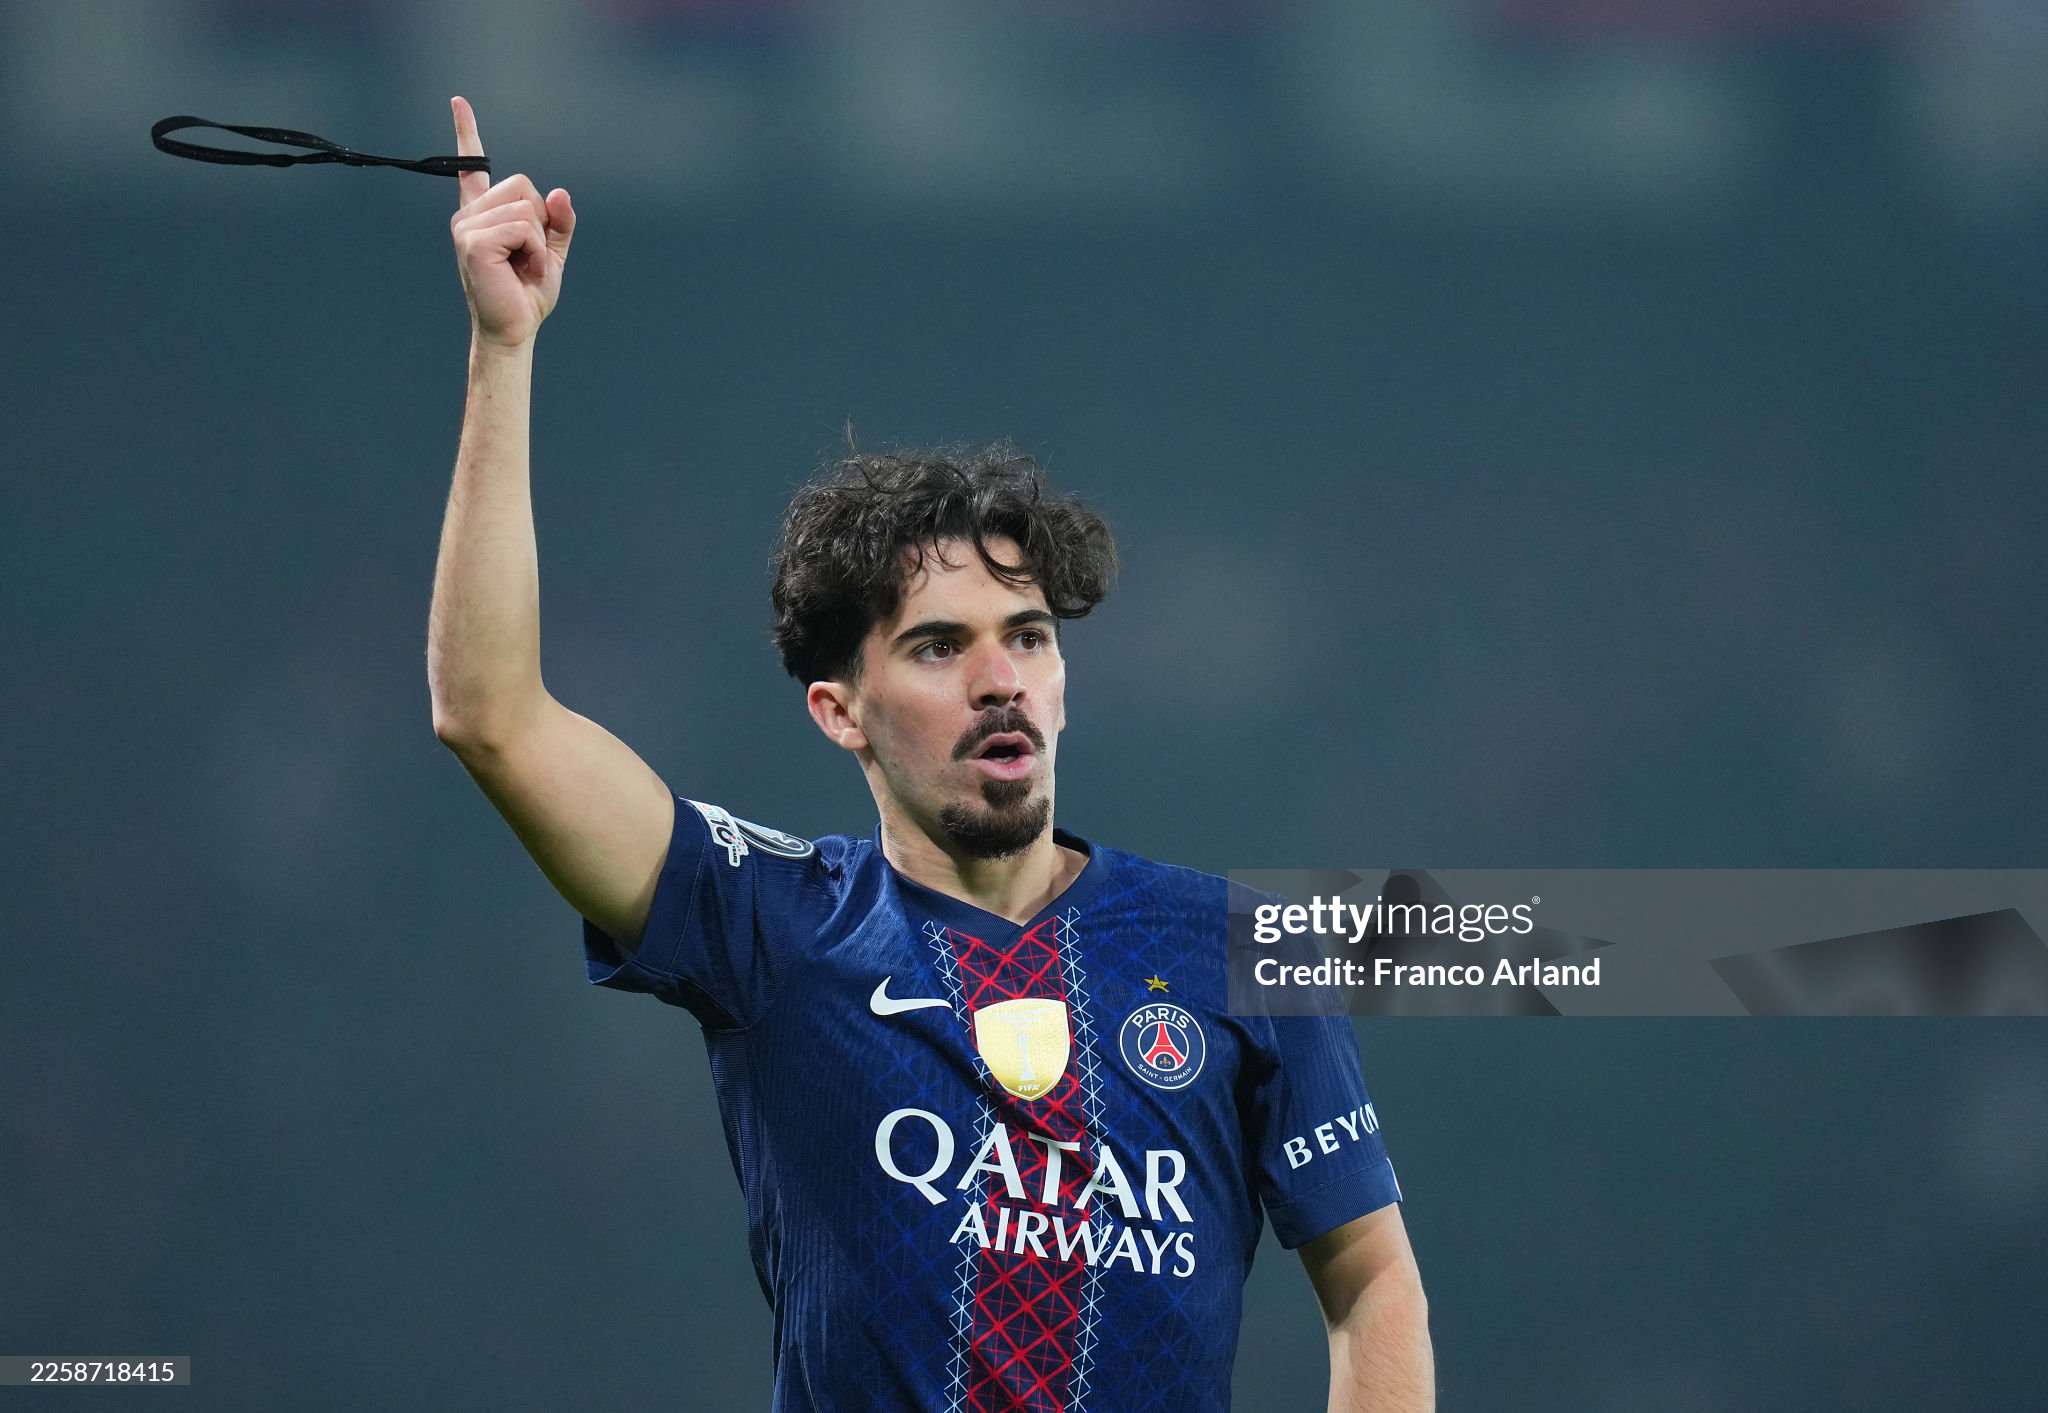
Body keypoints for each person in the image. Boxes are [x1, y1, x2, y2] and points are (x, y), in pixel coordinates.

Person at [429, 95, 1433, 1412]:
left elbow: (1373, 1282)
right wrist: (504, 351)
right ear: (839, 710)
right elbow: (491, 714)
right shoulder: (772, 924)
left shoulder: (1243, 952)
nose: (999, 677)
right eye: (940, 645)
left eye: (1028, 636)